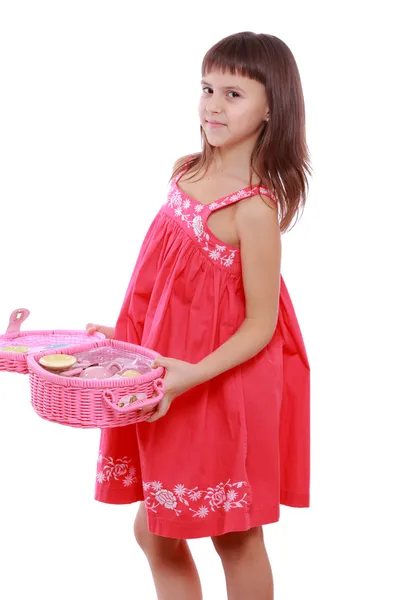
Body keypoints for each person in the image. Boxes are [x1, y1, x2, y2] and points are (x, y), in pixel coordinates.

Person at [87, 31, 311, 600]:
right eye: (208, 88)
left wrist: (187, 373)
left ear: (271, 109)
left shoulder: (253, 209)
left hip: (221, 383)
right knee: (157, 530)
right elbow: (172, 287)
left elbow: (261, 324)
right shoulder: (186, 172)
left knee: (235, 533)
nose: (213, 104)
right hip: (175, 373)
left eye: (234, 94)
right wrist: (129, 338)